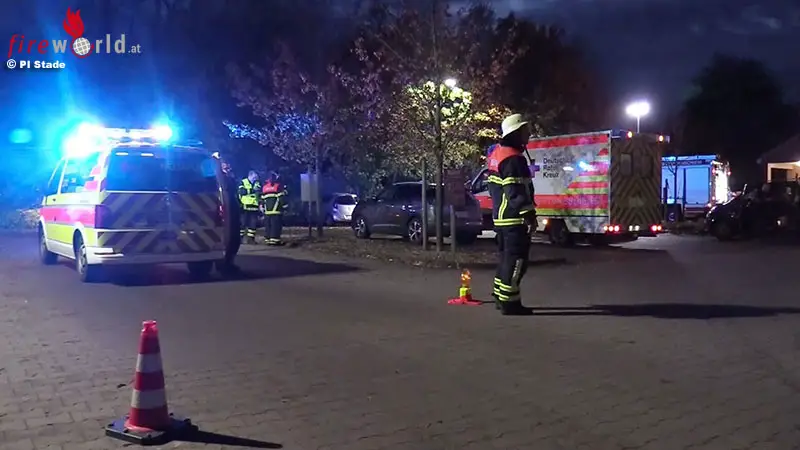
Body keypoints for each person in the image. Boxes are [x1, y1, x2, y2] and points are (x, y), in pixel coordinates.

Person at [487, 114, 536, 316]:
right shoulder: (513, 159)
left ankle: (501, 296)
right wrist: (529, 214)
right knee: (517, 262)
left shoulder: (499, 153)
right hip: (514, 219)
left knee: (506, 260)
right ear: (515, 133)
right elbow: (515, 190)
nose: (528, 134)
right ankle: (510, 304)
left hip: (502, 219)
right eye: (525, 130)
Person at [217, 160, 241, 273]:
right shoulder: (220, 178)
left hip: (232, 208)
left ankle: (228, 262)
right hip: (226, 209)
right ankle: (225, 263)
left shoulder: (230, 177)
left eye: (229, 164)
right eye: (225, 164)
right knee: (229, 238)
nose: (228, 166)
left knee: (235, 238)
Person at [261, 171, 288, 245]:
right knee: (275, 226)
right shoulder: (277, 186)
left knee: (268, 226)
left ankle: (268, 240)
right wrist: (285, 207)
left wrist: (262, 207)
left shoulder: (264, 187)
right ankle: (275, 241)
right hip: (276, 211)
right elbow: (281, 198)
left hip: (267, 211)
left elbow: (262, 199)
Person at [238, 170, 261, 244]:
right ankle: (239, 239)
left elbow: (258, 192)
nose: (256, 178)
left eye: (256, 177)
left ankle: (251, 239)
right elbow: (242, 191)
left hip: (254, 206)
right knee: (242, 224)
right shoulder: (243, 182)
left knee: (253, 225)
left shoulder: (257, 183)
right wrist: (252, 190)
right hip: (245, 206)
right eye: (254, 176)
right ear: (250, 175)